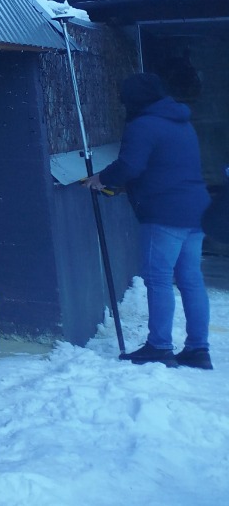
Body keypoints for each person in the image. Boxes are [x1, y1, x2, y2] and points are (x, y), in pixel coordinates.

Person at [81, 73, 212, 368]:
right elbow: (161, 165)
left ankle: (160, 346)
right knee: (191, 280)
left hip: (165, 213)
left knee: (159, 279)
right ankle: (198, 349)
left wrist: (101, 179)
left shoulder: (143, 125)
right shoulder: (182, 122)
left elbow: (130, 165)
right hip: (195, 210)